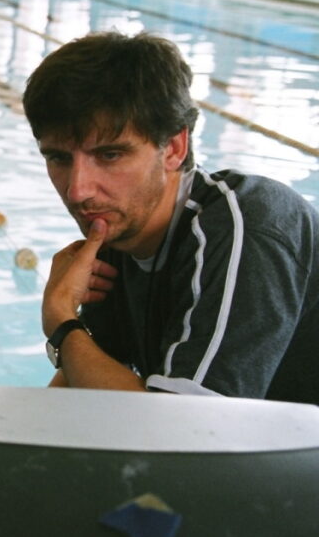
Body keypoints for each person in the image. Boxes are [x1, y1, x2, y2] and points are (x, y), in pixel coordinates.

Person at [23, 31, 319, 404]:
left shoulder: (247, 225)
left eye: (110, 155)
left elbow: (184, 424)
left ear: (174, 148)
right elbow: (87, 381)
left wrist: (62, 322)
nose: (78, 191)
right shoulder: (118, 230)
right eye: (59, 158)